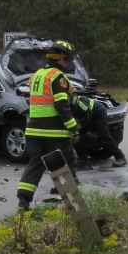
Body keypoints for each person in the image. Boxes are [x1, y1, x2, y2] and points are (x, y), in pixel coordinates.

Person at [16, 40, 87, 212]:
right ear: (61, 59)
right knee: (68, 161)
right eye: (67, 60)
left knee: (36, 164)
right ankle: (73, 204)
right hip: (53, 131)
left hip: (34, 130)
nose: (67, 64)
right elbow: (61, 106)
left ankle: (23, 201)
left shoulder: (37, 75)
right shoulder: (57, 77)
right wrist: (72, 128)